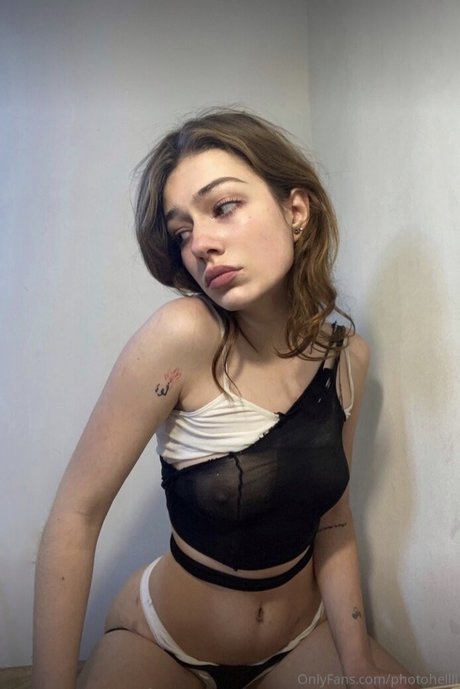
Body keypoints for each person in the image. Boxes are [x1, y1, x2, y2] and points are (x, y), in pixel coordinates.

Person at [32, 109, 416, 689]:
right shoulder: (181, 336)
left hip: (300, 637)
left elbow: (333, 520)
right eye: (182, 232)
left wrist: (357, 660)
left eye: (224, 206)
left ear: (296, 211)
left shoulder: (348, 359)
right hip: (165, 643)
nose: (201, 245)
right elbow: (75, 517)